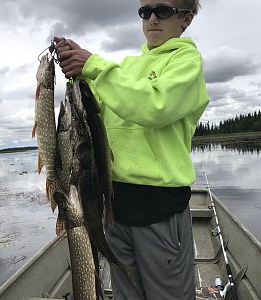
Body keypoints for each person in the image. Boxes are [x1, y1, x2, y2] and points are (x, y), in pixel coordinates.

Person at [55, 0, 208, 299]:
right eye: (144, 11)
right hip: (113, 202)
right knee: (127, 293)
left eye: (162, 11)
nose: (151, 18)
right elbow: (96, 105)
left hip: (159, 205)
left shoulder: (186, 63)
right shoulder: (125, 67)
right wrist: (79, 68)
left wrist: (94, 65)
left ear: (186, 19)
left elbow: (153, 106)